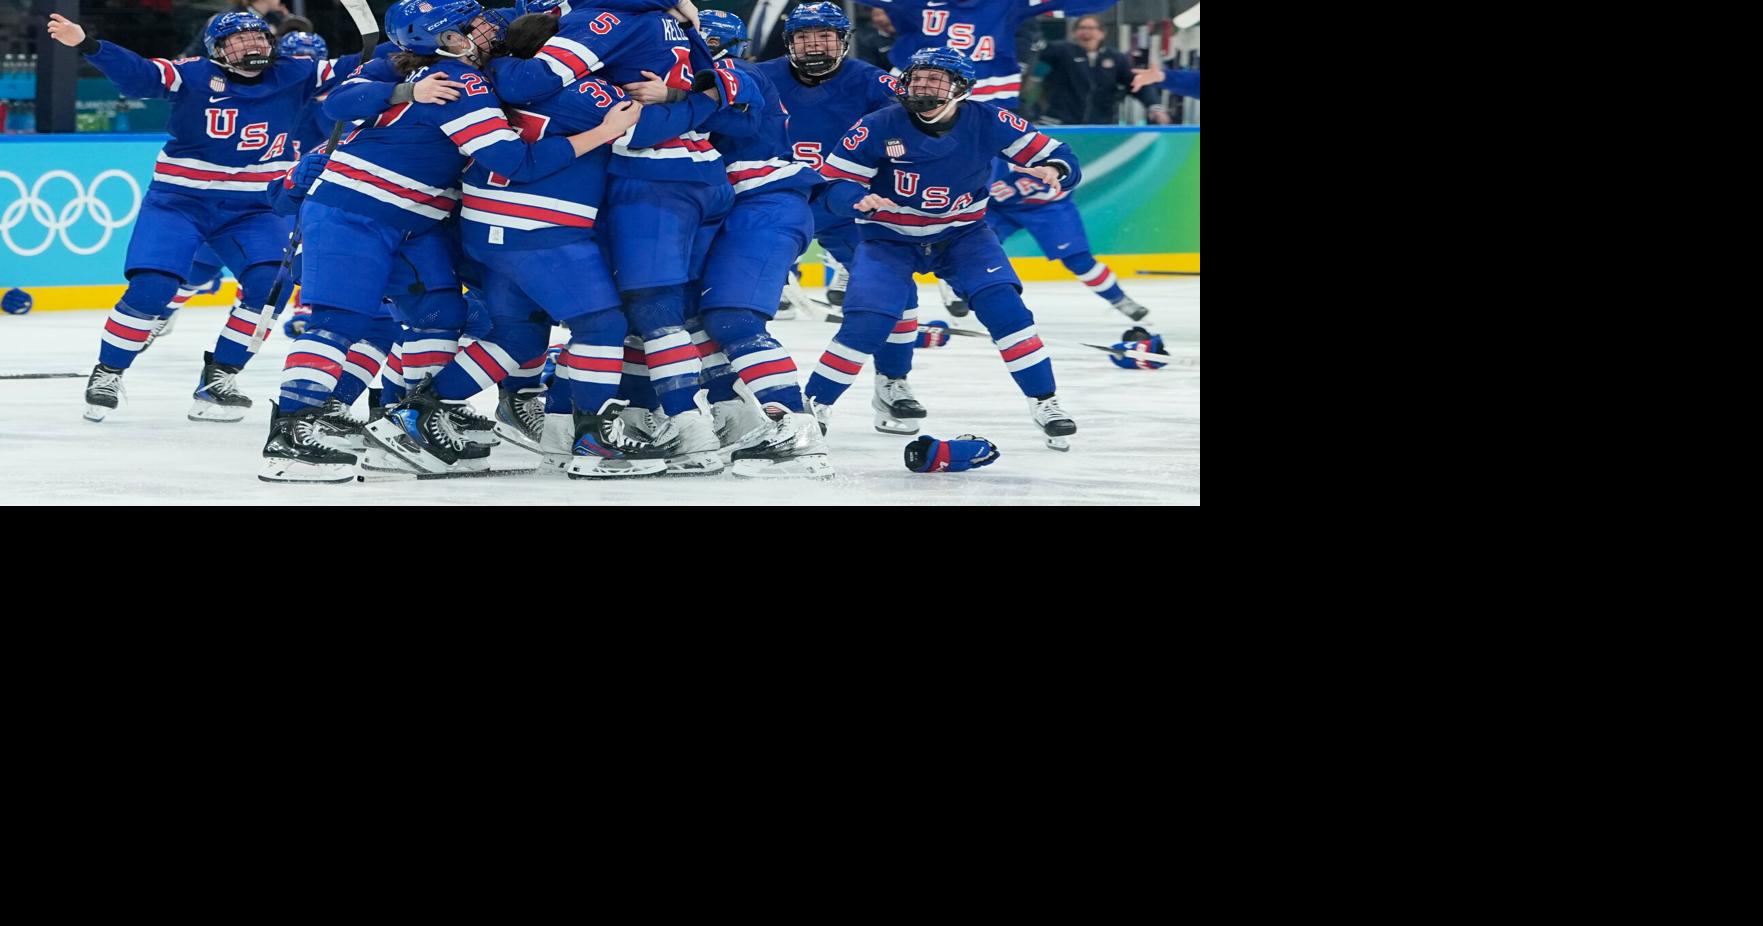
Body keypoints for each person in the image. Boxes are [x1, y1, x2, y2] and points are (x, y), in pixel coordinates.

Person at [48, 10, 341, 424]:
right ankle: (109, 371)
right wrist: (88, 44)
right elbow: (139, 74)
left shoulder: (296, 73)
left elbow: (362, 68)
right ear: (217, 51)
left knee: (271, 285)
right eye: (238, 41)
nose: (251, 46)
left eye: (257, 38)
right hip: (179, 203)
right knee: (154, 286)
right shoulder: (192, 76)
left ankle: (220, 376)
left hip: (255, 207)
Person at [809, 46, 1081, 451]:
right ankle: (812, 408)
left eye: (935, 79)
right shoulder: (879, 124)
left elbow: (1059, 154)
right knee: (867, 323)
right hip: (888, 240)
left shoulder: (987, 119)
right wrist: (854, 198)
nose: (922, 86)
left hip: (962, 236)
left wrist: (1054, 170)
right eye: (917, 78)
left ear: (961, 89)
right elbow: (830, 185)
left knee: (1005, 309)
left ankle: (1045, 401)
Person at [756, 2, 926, 435]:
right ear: (789, 41)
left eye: (825, 35)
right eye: (805, 36)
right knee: (731, 301)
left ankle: (893, 382)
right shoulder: (758, 76)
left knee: (899, 293)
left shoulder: (872, 81)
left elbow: (917, 126)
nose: (815, 43)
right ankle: (724, 392)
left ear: (843, 40)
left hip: (847, 203)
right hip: (773, 202)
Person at [1033, 15, 1168, 125]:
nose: (1086, 32)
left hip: (1100, 125)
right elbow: (1039, 47)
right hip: (1059, 123)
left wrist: (1154, 106)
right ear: (1074, 33)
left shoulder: (1116, 58)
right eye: (1081, 28)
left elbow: (1136, 83)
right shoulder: (1061, 51)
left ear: (1102, 33)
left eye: (1091, 28)